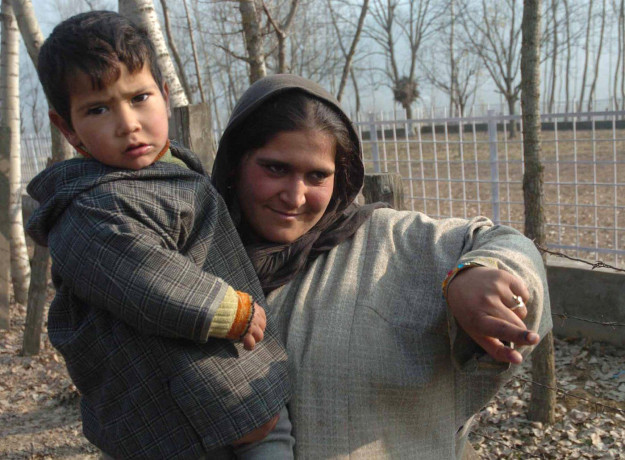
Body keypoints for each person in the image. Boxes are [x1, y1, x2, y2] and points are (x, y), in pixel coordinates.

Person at [211, 74, 553, 459]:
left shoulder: (393, 244)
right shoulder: (194, 257)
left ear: (341, 178)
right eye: (275, 169)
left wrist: (475, 273)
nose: (295, 196)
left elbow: (507, 244)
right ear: (235, 164)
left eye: (316, 175)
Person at [26, 12, 292, 459]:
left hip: (224, 385)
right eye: (98, 109)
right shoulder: (88, 207)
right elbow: (141, 275)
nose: (127, 122)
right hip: (173, 405)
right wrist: (225, 308)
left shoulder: (171, 169)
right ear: (68, 129)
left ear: (165, 97)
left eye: (139, 97)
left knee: (272, 439)